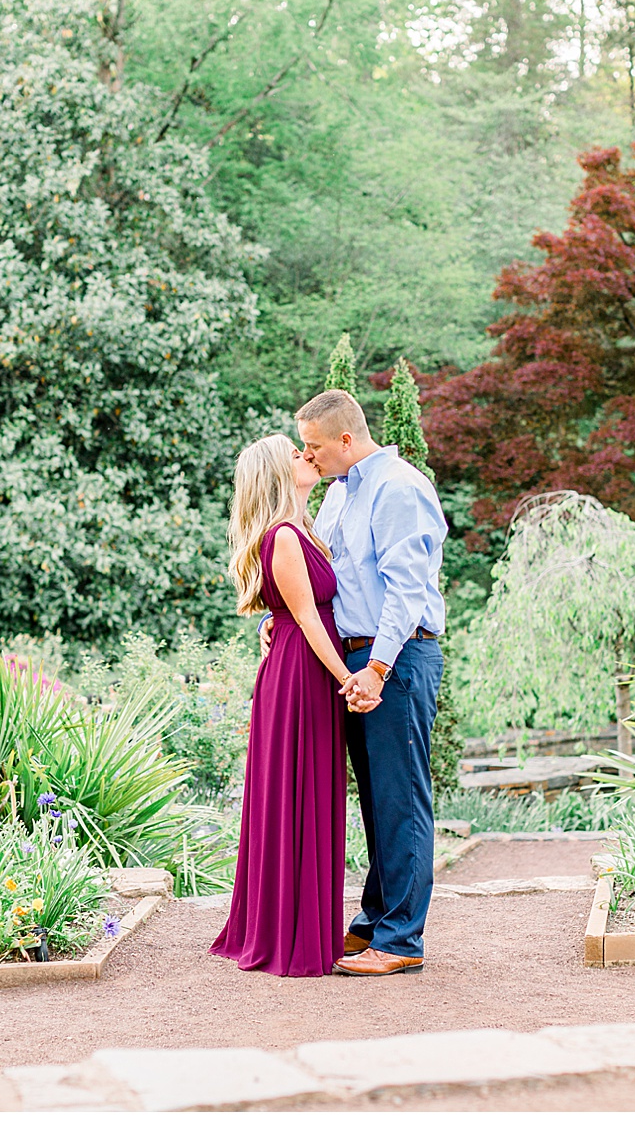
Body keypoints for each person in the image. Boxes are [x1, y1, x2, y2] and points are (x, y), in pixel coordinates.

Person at [294, 388, 447, 977]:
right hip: (357, 662)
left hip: (397, 661)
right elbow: (325, 574)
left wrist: (378, 669)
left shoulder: (399, 488)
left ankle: (402, 940)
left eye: (314, 446)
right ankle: (374, 921)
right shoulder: (339, 493)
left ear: (346, 439)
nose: (309, 456)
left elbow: (406, 589)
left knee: (401, 799)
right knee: (379, 801)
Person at [210, 433, 355, 977]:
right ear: (277, 473)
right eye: (296, 453)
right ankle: (289, 933)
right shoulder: (286, 536)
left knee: (306, 792)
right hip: (302, 675)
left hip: (303, 666)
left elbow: (295, 610)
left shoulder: (302, 529)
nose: (307, 455)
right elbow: (308, 617)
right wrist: (349, 679)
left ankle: (298, 924)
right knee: (298, 791)